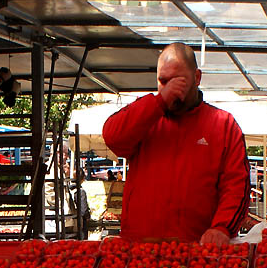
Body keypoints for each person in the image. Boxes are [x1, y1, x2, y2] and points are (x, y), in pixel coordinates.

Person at [102, 42, 250, 245]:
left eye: (178, 81)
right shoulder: (145, 118)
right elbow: (113, 137)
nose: (171, 89)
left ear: (197, 78)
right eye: (163, 81)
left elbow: (236, 186)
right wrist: (158, 102)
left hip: (197, 253)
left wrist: (222, 227)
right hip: (139, 252)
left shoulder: (224, 125)